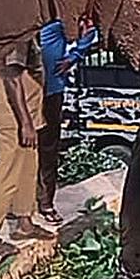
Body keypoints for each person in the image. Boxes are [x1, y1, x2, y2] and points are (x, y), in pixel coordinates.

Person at [0, 37, 57, 256]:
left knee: (28, 169)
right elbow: (11, 77)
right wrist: (25, 123)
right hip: (14, 120)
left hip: (28, 116)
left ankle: (24, 221)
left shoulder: (29, 33)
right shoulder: (18, 35)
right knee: (7, 173)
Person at [35, 18, 100, 224]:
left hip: (51, 92)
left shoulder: (60, 16)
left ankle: (46, 203)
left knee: (48, 148)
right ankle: (20, 204)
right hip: (25, 90)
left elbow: (89, 29)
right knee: (22, 151)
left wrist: (74, 56)